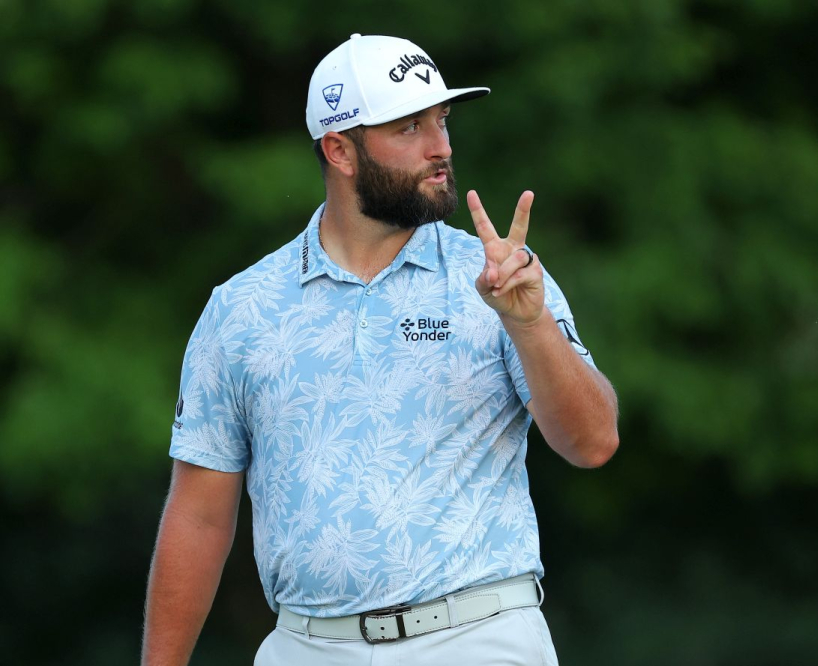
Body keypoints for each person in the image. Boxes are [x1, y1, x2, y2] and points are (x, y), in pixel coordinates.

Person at [142, 33, 618, 666]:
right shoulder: (241, 310)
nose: (441, 146)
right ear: (340, 149)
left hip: (477, 640)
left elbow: (592, 442)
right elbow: (199, 517)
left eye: (442, 121)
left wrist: (529, 324)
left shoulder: (501, 277)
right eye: (410, 127)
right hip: (305, 648)